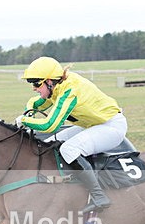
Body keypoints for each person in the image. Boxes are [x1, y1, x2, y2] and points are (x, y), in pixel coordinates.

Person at [16, 56, 128, 213]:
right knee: (48, 144)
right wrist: (27, 114)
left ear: (49, 81)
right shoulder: (56, 87)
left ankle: (99, 197)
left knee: (68, 149)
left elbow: (50, 125)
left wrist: (25, 120)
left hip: (111, 127)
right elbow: (34, 103)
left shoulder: (69, 91)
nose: (34, 88)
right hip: (93, 125)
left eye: (36, 83)